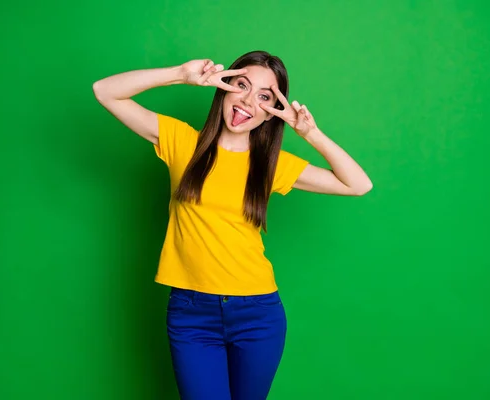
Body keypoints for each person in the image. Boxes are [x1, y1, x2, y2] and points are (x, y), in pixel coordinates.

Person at [92, 50, 372, 400]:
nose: (247, 101)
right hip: (191, 315)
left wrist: (309, 132)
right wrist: (180, 74)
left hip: (257, 315)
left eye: (264, 97)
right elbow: (105, 91)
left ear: (272, 112)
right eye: (242, 85)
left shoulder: (270, 165)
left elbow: (358, 184)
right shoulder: (183, 142)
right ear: (224, 88)